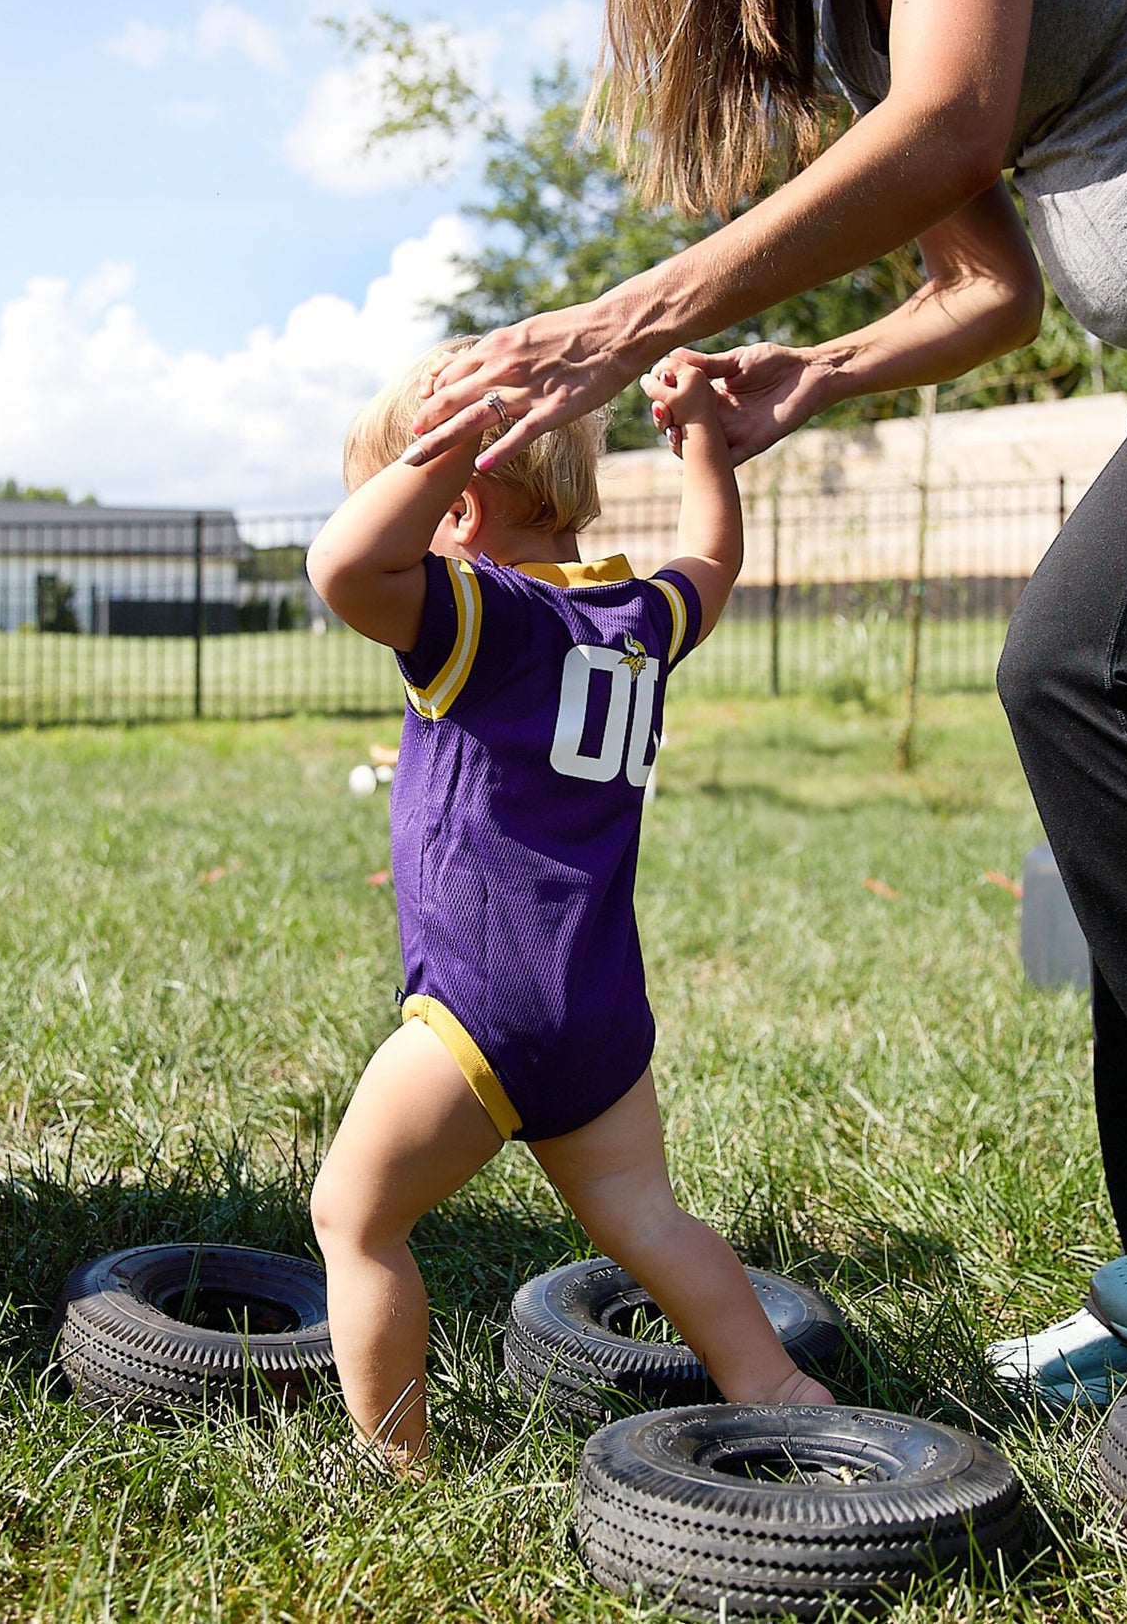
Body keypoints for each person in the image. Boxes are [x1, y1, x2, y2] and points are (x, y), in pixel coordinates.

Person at [401, 0, 1127, 1399]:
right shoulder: (847, 6)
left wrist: (628, 314)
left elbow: (957, 119)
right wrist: (809, 375)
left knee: (1093, 681)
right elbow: (987, 286)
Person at [305, 337, 830, 1464]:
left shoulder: (481, 617)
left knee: (354, 1217)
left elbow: (343, 568)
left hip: (478, 1007)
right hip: (596, 1005)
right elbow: (713, 558)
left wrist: (437, 445)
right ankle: (776, 1382)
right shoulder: (635, 622)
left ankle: (397, 1467)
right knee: (644, 1216)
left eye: (409, 493)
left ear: (459, 500)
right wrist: (695, 433)